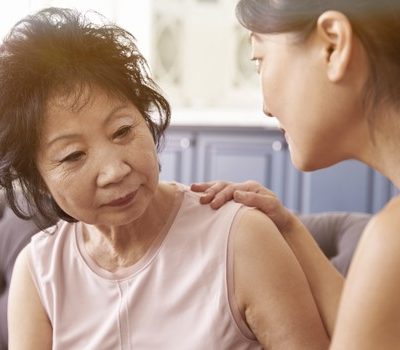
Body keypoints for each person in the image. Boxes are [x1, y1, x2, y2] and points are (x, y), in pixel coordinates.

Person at [0, 8, 329, 350]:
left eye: (123, 130)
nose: (116, 170)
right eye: (73, 155)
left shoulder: (240, 238)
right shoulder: (38, 272)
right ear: (36, 179)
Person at [191, 0, 400, 349]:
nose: (265, 106)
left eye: (260, 60)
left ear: (332, 46)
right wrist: (288, 227)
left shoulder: (392, 238)